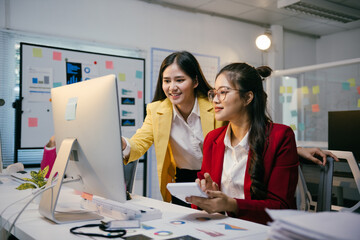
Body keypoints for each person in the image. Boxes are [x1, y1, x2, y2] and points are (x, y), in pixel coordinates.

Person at [41, 51, 338, 205]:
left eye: (179, 80)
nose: (172, 87)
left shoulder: (216, 107)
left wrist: (293, 150)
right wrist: (106, 139)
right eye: (167, 81)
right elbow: (137, 145)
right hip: (187, 180)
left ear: (195, 81)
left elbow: (251, 137)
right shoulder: (156, 111)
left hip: (225, 178)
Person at [186, 62, 298, 225]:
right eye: (214, 93)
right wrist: (206, 195)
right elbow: (200, 205)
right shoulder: (213, 139)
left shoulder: (280, 136)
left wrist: (232, 205)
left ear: (247, 97)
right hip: (220, 228)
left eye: (223, 92)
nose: (215, 100)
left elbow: (281, 208)